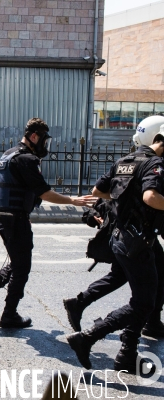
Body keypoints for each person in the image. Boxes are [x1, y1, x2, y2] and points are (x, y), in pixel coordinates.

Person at [0, 118, 95, 328]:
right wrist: (73, 201)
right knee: (22, 267)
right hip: (15, 219)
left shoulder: (8, 154)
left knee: (17, 263)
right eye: (44, 140)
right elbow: (43, 192)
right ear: (34, 136)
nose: (45, 145)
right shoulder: (26, 158)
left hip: (3, 216)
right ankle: (9, 314)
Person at [66, 121, 164, 373]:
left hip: (122, 238)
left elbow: (98, 191)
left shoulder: (125, 161)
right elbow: (151, 197)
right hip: (137, 243)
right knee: (143, 303)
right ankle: (87, 338)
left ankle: (126, 353)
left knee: (139, 294)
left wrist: (125, 198)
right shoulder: (154, 164)